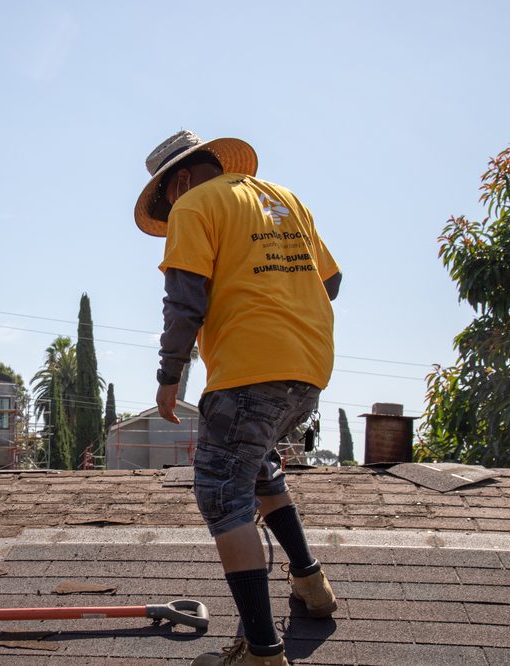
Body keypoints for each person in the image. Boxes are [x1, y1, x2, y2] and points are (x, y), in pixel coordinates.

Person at [135, 131, 342, 666]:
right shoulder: (283, 199)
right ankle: (312, 586)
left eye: (167, 200)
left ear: (178, 180)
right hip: (309, 367)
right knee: (256, 470)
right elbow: (332, 282)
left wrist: (168, 376)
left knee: (223, 495)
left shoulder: (195, 205)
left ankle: (263, 652)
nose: (170, 209)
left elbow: (185, 300)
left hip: (250, 370)